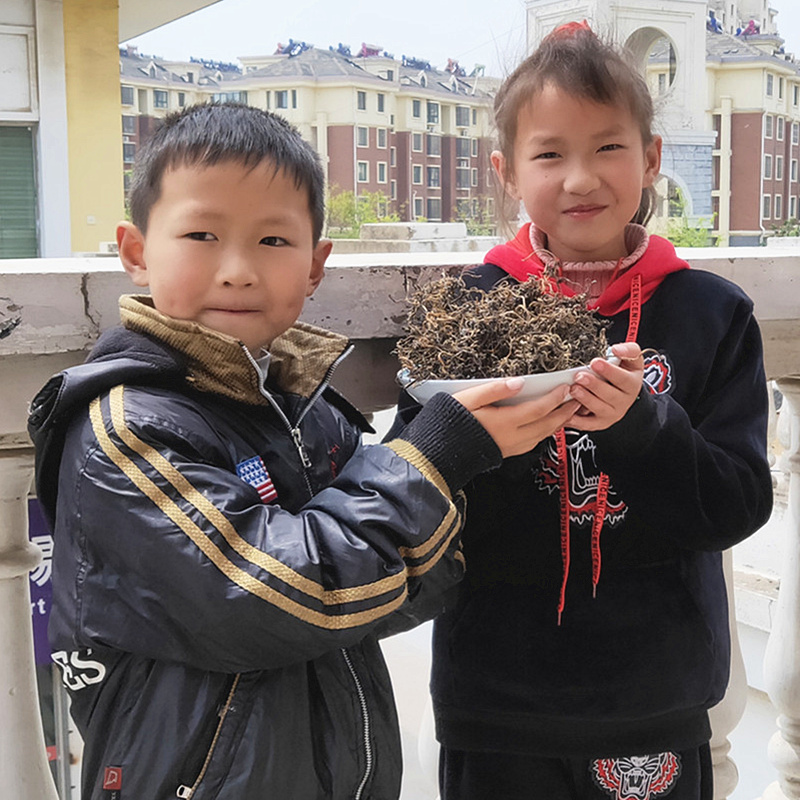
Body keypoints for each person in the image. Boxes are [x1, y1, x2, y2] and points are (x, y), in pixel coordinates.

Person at [27, 103, 582, 799]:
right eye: (201, 233)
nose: (237, 270)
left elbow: (400, 591)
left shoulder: (303, 409)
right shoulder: (127, 429)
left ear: (316, 265)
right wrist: (432, 458)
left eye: (272, 242)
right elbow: (280, 595)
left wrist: (456, 445)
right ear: (136, 252)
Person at [397, 21, 772, 799]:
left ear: (651, 159)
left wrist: (645, 427)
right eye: (549, 154)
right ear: (507, 171)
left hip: (653, 700)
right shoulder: (470, 307)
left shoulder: (710, 314)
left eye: (608, 147)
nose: (580, 178)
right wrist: (464, 434)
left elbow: (736, 502)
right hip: (494, 700)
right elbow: (410, 488)